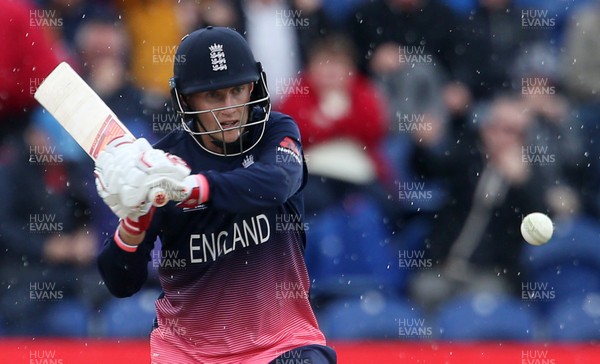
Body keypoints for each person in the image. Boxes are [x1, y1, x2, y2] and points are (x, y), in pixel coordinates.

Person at [94, 26, 336, 363]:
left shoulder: (276, 132)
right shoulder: (162, 166)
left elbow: (278, 182)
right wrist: (134, 223)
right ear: (186, 100)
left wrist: (195, 188)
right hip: (190, 353)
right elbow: (121, 283)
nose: (230, 109)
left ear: (254, 87)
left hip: (283, 344)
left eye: (238, 90)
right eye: (213, 96)